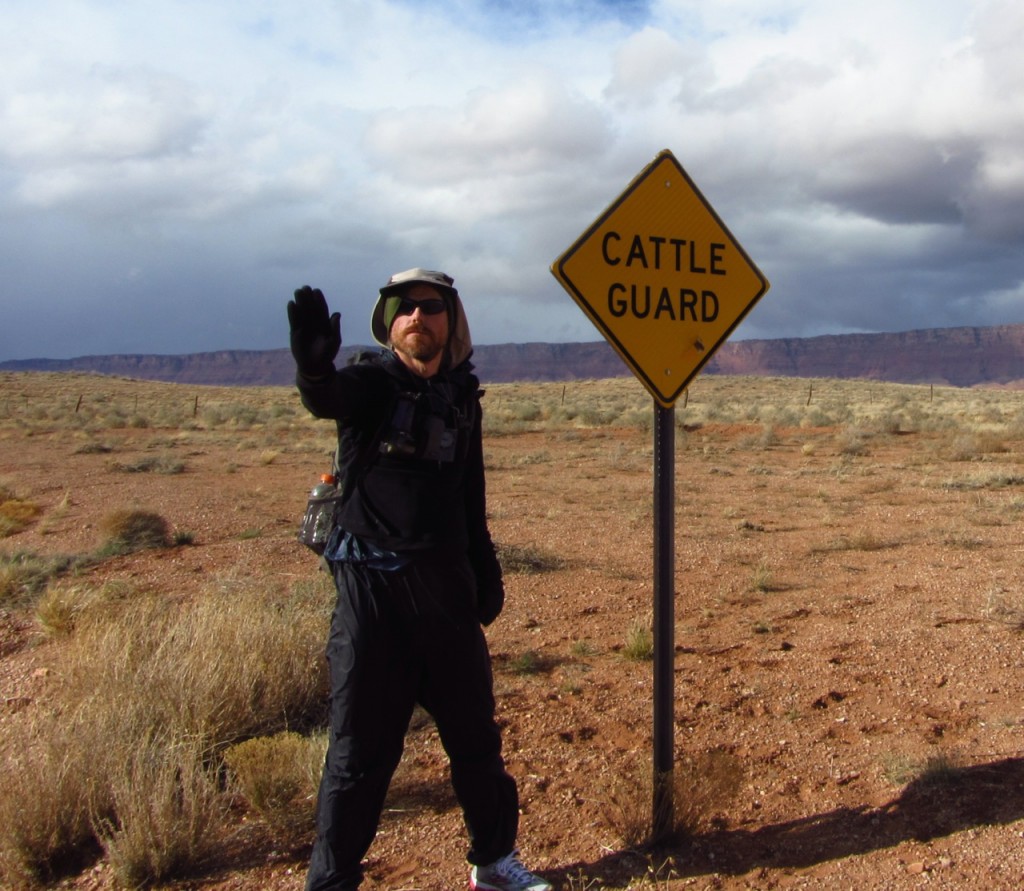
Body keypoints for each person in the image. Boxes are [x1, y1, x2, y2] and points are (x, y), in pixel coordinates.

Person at [288, 268, 552, 891]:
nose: (417, 316)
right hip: (370, 597)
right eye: (403, 307)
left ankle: (493, 863)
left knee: (476, 742)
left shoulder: (462, 398)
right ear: (390, 322)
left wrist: (485, 575)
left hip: (445, 596)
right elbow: (328, 398)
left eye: (431, 307)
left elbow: (471, 497)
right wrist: (313, 370)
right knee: (359, 755)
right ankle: (332, 884)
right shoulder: (373, 384)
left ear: (450, 321)